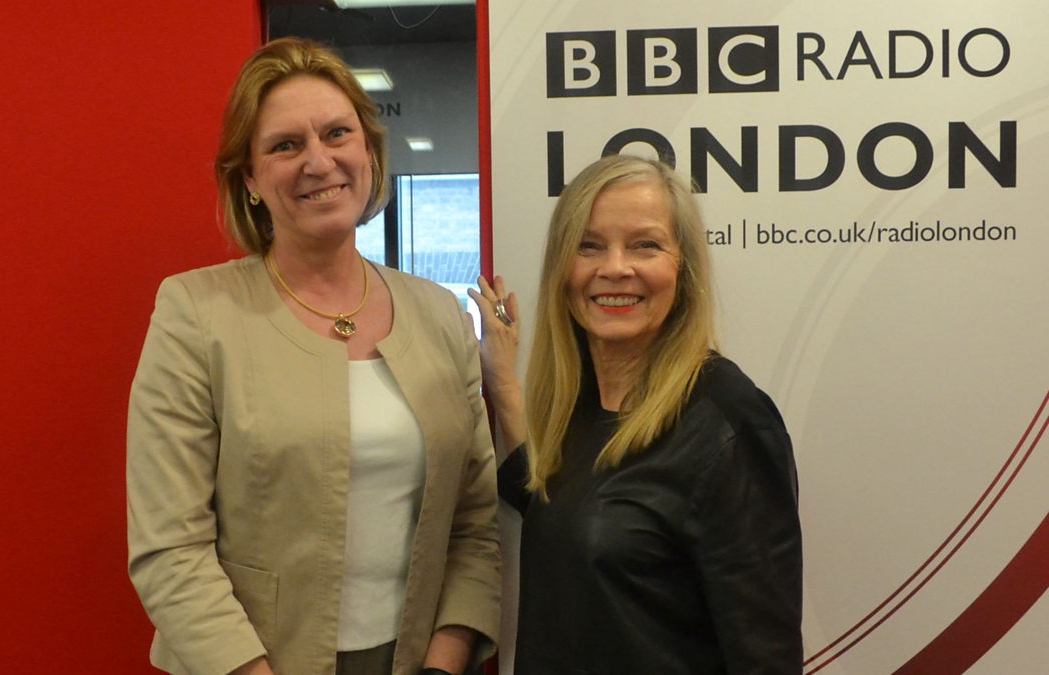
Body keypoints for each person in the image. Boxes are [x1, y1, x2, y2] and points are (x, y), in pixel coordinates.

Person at [127, 37, 500, 675]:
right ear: (249, 178)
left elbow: (475, 521)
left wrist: (444, 663)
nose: (319, 161)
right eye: (285, 145)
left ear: (369, 152)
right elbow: (170, 548)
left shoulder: (439, 314)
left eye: (336, 134)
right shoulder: (196, 313)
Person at [469, 155, 802, 673]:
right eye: (589, 246)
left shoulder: (730, 421)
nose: (615, 268)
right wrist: (504, 383)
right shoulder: (580, 402)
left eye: (645, 244)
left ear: (683, 267)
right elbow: (552, 503)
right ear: (562, 268)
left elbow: (766, 658)